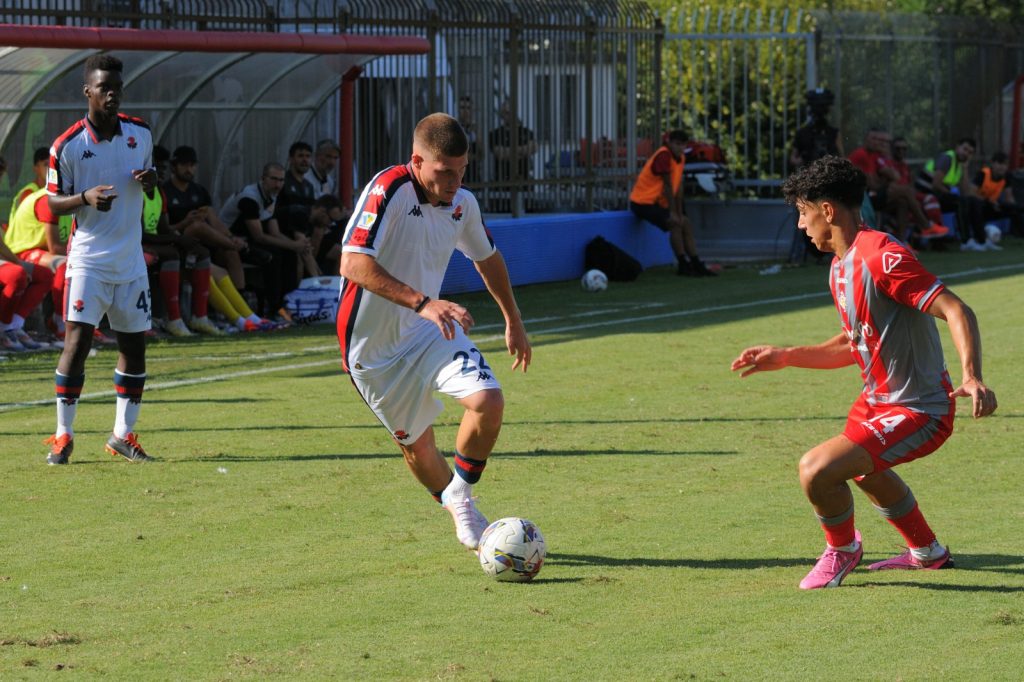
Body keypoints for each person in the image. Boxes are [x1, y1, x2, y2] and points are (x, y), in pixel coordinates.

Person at [731, 156, 998, 590]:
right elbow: (851, 343)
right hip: (877, 402)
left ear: (828, 211)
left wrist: (972, 376)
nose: (801, 225)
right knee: (861, 468)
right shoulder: (840, 266)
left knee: (816, 469)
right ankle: (928, 553)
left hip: (919, 408)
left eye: (803, 212)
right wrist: (786, 355)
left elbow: (954, 308)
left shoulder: (881, 257)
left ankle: (842, 550)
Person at [337, 112, 531, 551]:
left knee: (488, 400)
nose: (454, 182)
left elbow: (488, 258)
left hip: (430, 330)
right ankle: (458, 506)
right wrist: (423, 302)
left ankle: (459, 495)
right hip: (372, 349)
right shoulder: (388, 189)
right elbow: (352, 263)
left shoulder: (463, 203)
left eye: (462, 171)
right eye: (444, 171)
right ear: (417, 162)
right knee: (417, 448)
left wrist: (513, 321)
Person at [45, 53, 159, 464]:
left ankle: (122, 436)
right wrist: (85, 198)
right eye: (103, 88)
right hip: (89, 260)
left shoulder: (140, 133)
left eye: (117, 88)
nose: (111, 95)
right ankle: (62, 435)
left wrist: (151, 182)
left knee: (134, 345)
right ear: (87, 92)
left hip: (130, 261)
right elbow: (53, 204)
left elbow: (149, 181)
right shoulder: (68, 146)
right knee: (76, 343)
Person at [141, 145, 220, 336]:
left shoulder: (160, 192)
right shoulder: (136, 193)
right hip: (136, 245)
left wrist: (180, 238)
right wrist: (176, 240)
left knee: (201, 252)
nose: (160, 173)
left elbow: (164, 228)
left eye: (163, 169)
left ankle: (199, 317)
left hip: (154, 243)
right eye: (155, 168)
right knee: (172, 254)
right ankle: (173, 319)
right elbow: (139, 234)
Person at [219, 163, 308, 318]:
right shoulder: (250, 198)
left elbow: (275, 232)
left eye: (281, 180)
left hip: (248, 241)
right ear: (263, 179)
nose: (278, 184)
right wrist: (294, 245)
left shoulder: (271, 195)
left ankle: (287, 304)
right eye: (274, 179)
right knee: (272, 256)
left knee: (289, 254)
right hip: (229, 241)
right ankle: (274, 308)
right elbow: (259, 236)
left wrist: (296, 246)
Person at [162, 144, 251, 293]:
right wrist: (185, 222)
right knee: (196, 225)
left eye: (192, 165)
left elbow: (215, 221)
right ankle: (234, 245)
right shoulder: (165, 191)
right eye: (184, 165)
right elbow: (164, 228)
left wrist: (230, 236)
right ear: (173, 167)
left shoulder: (199, 191)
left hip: (205, 243)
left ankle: (241, 299)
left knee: (230, 252)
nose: (189, 169)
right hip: (179, 241)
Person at [629, 130, 716, 277]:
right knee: (675, 223)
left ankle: (696, 263)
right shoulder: (663, 155)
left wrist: (679, 210)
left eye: (683, 145)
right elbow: (668, 186)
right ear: (669, 142)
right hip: (642, 202)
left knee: (685, 223)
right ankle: (683, 264)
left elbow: (678, 186)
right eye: (677, 144)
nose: (680, 148)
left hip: (657, 202)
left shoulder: (680, 158)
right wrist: (673, 212)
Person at [847, 129, 948, 242]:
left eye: (904, 149)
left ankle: (902, 241)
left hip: (879, 195)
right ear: (866, 140)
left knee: (903, 202)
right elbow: (873, 183)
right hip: (863, 198)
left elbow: (892, 179)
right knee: (907, 192)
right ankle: (926, 226)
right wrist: (887, 183)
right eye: (875, 139)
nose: (879, 143)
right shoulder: (864, 154)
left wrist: (886, 182)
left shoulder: (876, 156)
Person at [3, 181, 67, 346]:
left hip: (17, 255)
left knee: (43, 275)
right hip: (22, 250)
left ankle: (13, 326)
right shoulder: (48, 199)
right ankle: (61, 324)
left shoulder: (76, 198)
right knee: (64, 266)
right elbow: (55, 247)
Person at [913, 137, 977, 246]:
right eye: (965, 149)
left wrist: (965, 168)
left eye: (970, 152)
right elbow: (936, 184)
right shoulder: (947, 159)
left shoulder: (960, 165)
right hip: (924, 193)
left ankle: (978, 239)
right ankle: (966, 241)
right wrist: (951, 194)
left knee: (970, 201)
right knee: (960, 202)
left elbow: (965, 191)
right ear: (957, 147)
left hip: (937, 194)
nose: (966, 153)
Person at [964, 151, 1022, 246]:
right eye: (999, 163)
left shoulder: (1007, 176)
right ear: (993, 164)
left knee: (1016, 209)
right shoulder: (983, 174)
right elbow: (971, 193)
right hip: (978, 206)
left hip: (993, 206)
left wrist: (1013, 208)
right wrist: (989, 202)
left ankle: (1020, 234)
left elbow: (1009, 197)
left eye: (1005, 164)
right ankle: (981, 240)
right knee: (977, 205)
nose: (1002, 167)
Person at [488, 100, 536, 212]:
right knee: (503, 212)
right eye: (505, 112)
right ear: (501, 114)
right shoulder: (495, 134)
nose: (508, 115)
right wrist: (522, 151)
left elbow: (533, 148)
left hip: (523, 180)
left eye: (510, 112)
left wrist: (509, 152)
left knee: (528, 213)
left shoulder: (526, 132)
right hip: (502, 181)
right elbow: (499, 154)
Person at [790, 88, 843, 170]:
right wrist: (803, 159)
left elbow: (842, 158)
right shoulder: (802, 133)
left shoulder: (833, 133)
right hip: (808, 177)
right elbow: (793, 159)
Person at [457, 95, 479, 182]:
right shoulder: (454, 127)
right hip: (458, 176)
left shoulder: (475, 127)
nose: (466, 111)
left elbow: (482, 155)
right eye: (462, 108)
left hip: (474, 174)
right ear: (458, 109)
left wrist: (477, 133)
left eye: (468, 108)